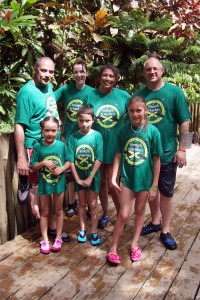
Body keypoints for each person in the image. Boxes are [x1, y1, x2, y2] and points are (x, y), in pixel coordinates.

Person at [134, 53, 191, 250]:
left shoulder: (174, 93)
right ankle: (155, 222)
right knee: (152, 190)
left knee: (166, 192)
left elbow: (184, 121)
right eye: (148, 69)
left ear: (162, 71)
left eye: (155, 68)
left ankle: (165, 230)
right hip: (144, 155)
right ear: (144, 72)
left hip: (166, 153)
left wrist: (183, 149)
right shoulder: (140, 95)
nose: (151, 71)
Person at [14, 56, 70, 242]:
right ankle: (49, 229)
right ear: (34, 69)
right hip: (35, 146)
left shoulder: (48, 87)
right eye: (43, 70)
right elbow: (19, 125)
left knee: (52, 184)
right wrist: (22, 157)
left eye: (51, 72)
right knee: (38, 189)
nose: (47, 75)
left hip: (52, 146)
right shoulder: (26, 92)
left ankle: (53, 224)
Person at [107, 96, 162, 264]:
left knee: (140, 212)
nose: (135, 114)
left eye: (139, 110)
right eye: (132, 110)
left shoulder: (153, 132)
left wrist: (154, 186)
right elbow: (117, 155)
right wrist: (113, 177)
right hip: (127, 179)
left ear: (145, 110)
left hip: (145, 181)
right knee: (123, 214)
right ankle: (113, 247)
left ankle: (134, 245)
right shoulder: (123, 131)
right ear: (128, 111)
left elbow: (157, 160)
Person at [84, 65, 131, 228]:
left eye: (111, 76)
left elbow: (135, 115)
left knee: (113, 183)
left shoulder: (123, 96)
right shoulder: (91, 96)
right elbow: (84, 120)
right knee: (101, 182)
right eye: (105, 75)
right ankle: (105, 213)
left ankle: (121, 215)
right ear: (100, 77)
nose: (108, 79)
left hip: (116, 146)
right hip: (96, 146)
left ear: (116, 79)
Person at [54, 59, 94, 217]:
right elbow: (50, 99)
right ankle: (72, 203)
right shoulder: (66, 89)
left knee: (86, 169)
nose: (79, 74)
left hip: (86, 137)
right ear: (73, 74)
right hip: (69, 137)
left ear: (86, 73)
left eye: (82, 71)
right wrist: (56, 119)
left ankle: (91, 205)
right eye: (76, 71)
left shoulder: (91, 92)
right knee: (70, 171)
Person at [30, 117, 70, 254]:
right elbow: (33, 166)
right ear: (41, 130)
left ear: (58, 130)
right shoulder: (37, 147)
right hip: (44, 184)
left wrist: (63, 168)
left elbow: (69, 161)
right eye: (47, 130)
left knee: (59, 210)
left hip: (59, 183)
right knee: (45, 212)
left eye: (53, 130)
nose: (50, 133)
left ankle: (58, 238)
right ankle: (45, 239)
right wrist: (43, 163)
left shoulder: (61, 145)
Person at [67, 106, 103, 245]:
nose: (84, 124)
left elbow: (99, 158)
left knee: (93, 204)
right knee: (81, 203)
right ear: (77, 120)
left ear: (93, 120)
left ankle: (94, 231)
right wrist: (77, 179)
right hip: (79, 177)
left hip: (93, 177)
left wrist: (90, 177)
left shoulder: (97, 136)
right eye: (81, 121)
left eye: (87, 120)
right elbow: (71, 160)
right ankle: (82, 230)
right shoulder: (73, 138)